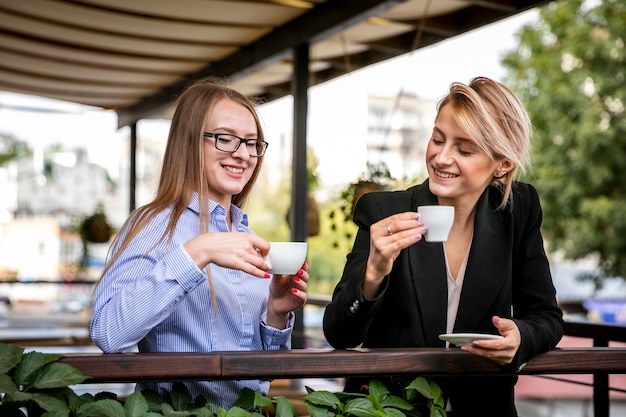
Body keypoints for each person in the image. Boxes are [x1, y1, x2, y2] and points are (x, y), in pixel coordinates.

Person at [322, 77, 565, 416]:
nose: (441, 157)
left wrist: (521, 338)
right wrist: (374, 271)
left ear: (503, 163)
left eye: (464, 150)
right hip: (389, 410)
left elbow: (546, 317)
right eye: (437, 139)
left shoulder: (519, 211)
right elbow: (339, 333)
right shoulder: (383, 211)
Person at [90, 78, 309, 409]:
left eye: (252, 143)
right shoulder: (153, 225)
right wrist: (198, 251)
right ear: (189, 141)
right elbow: (108, 333)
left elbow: (263, 377)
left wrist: (276, 311)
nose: (243, 154)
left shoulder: (247, 238)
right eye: (225, 139)